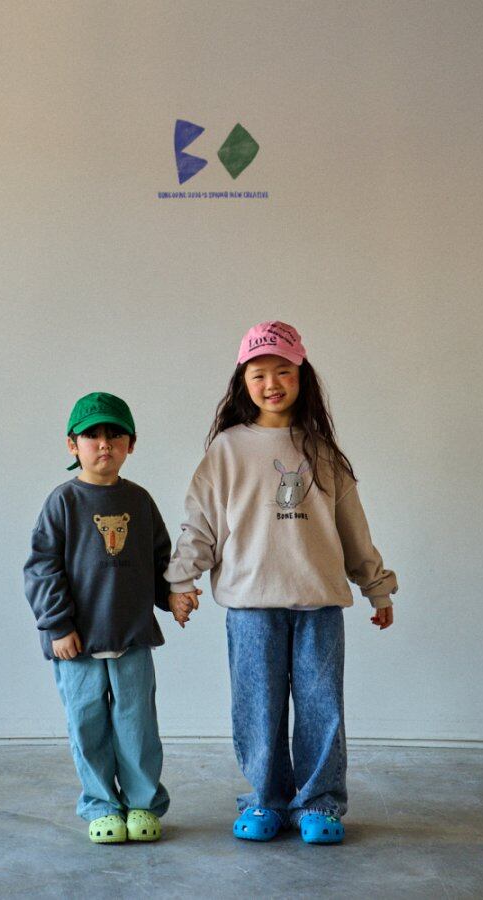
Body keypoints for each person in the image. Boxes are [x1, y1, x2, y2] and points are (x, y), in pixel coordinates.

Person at [165, 321, 398, 844]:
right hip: (250, 604)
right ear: (243, 382)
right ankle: (265, 799)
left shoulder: (323, 452)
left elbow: (353, 530)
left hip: (319, 602)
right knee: (258, 708)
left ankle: (318, 803)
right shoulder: (226, 450)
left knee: (321, 708)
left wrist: (376, 586)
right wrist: (182, 581)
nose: (271, 383)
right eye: (258, 374)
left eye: (283, 371)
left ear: (301, 375)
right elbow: (200, 524)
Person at [24, 391, 186, 845]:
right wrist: (57, 625)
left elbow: (159, 559)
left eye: (114, 436)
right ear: (72, 445)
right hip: (76, 643)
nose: (103, 445)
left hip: (131, 636)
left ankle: (142, 803)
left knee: (138, 726)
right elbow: (41, 567)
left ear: (130, 444)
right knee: (87, 724)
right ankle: (101, 805)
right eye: (91, 436)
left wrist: (172, 597)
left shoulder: (139, 500)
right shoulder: (63, 502)